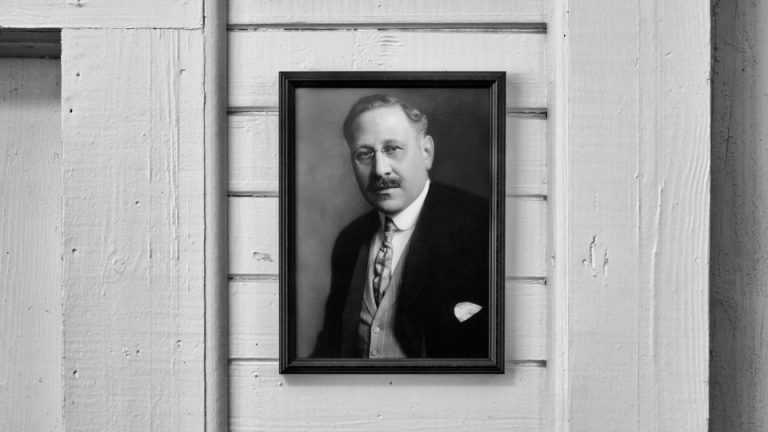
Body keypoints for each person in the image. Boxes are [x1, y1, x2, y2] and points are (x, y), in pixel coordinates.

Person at [311, 94, 490, 358]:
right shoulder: (349, 241)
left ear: (426, 152)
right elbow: (331, 346)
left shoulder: (481, 225)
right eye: (365, 154)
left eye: (392, 148)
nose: (380, 170)